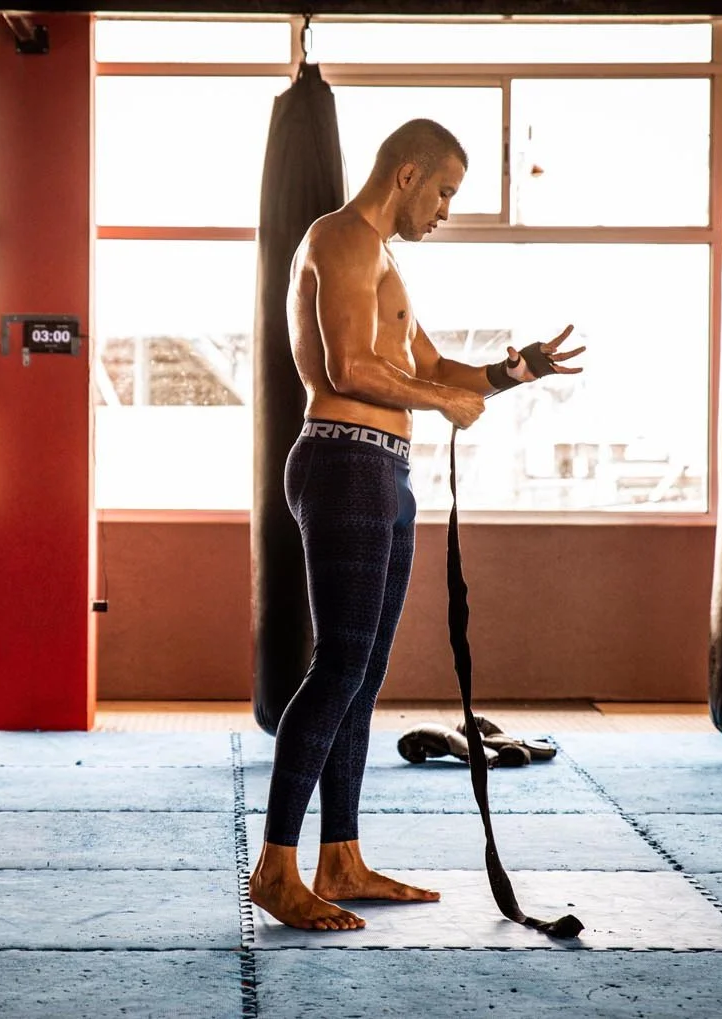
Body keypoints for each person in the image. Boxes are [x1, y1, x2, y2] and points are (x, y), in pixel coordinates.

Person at [248, 118, 586, 932]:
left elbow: (431, 368)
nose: (443, 211)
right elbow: (346, 368)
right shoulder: (340, 239)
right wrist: (443, 404)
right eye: (442, 193)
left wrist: (517, 369)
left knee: (361, 675)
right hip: (344, 462)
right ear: (406, 175)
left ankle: (341, 856)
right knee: (338, 667)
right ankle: (275, 868)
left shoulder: (384, 259)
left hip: (385, 471)